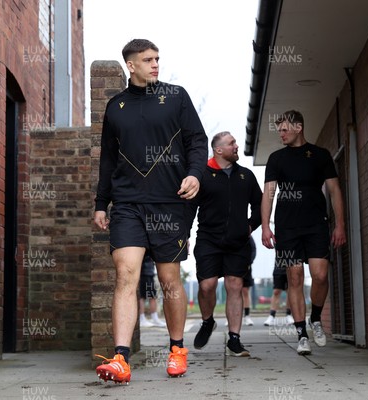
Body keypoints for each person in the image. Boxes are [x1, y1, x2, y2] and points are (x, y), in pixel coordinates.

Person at [93, 39, 208, 384]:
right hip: (127, 203)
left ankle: (176, 349)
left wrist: (195, 174)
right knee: (125, 274)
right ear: (131, 65)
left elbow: (197, 141)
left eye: (157, 58)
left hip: (170, 202)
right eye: (148, 59)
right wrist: (101, 203)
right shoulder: (116, 107)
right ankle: (121, 359)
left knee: (168, 278)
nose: (156, 64)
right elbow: (108, 159)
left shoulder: (176, 96)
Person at [261, 110, 346, 356]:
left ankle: (316, 318)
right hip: (286, 228)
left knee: (320, 275)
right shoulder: (276, 158)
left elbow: (335, 190)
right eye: (279, 131)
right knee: (295, 277)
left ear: (299, 127)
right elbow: (268, 193)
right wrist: (266, 225)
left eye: (285, 129)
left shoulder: (320, 155)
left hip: (317, 224)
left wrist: (340, 224)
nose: (281, 134)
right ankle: (301, 334)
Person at [192, 131, 262, 357]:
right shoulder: (202, 174)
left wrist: (250, 226)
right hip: (208, 241)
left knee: (234, 285)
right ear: (218, 150)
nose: (236, 146)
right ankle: (207, 321)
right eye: (232, 143)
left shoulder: (246, 176)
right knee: (207, 286)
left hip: (237, 243)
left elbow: (260, 206)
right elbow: (187, 208)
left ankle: (234, 339)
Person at [139, 255, 166, 327]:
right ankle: (142, 319)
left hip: (148, 271)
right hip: (144, 272)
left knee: (151, 296)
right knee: (143, 297)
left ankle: (154, 318)